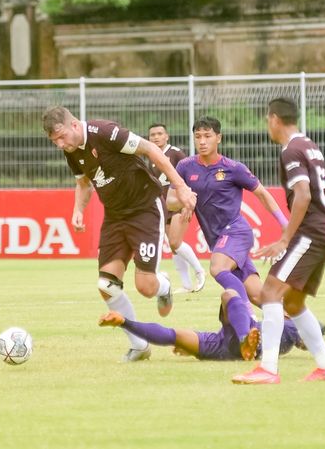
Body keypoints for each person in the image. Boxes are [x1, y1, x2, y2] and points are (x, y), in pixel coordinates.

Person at [42, 106, 197, 362]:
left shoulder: (104, 132)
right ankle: (139, 345)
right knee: (106, 286)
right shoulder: (71, 151)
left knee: (146, 287)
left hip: (145, 208)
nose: (59, 145)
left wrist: (180, 187)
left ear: (73, 126)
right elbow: (83, 183)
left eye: (61, 137)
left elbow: (151, 149)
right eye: (54, 141)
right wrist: (77, 210)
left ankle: (164, 286)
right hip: (115, 216)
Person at [232, 97, 325, 384]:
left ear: (273, 119)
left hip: (310, 233)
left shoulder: (291, 150)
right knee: (293, 303)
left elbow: (304, 194)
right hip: (323, 232)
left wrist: (285, 238)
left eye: (266, 120)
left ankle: (267, 369)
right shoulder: (310, 146)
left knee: (270, 293)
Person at [167, 117, 288, 316]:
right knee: (260, 297)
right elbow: (170, 201)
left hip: (236, 232)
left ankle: (247, 317)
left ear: (218, 138)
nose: (202, 141)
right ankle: (305, 329)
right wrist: (185, 198)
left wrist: (285, 225)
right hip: (218, 240)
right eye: (198, 137)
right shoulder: (185, 167)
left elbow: (263, 194)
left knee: (217, 268)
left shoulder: (233, 168)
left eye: (207, 136)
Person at [98, 289, 325, 362]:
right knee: (175, 336)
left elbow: (307, 342)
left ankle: (124, 321)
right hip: (229, 343)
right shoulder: (287, 326)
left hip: (231, 343)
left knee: (229, 295)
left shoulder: (291, 324)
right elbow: (306, 344)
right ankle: (244, 342)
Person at [147, 123, 206, 294]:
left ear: (167, 136)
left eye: (159, 134)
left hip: (179, 203)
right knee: (173, 246)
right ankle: (186, 284)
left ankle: (199, 271)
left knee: (175, 242)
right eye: (152, 135)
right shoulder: (150, 155)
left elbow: (191, 177)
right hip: (163, 206)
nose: (156, 137)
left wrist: (189, 202)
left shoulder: (176, 153)